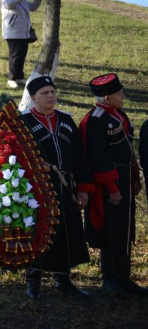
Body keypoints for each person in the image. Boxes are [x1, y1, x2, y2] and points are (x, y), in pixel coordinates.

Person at [20, 76, 92, 299]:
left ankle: (63, 278)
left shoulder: (66, 120)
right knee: (39, 232)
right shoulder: (23, 123)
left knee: (66, 231)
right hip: (37, 189)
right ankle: (33, 281)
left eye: (52, 91)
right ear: (33, 98)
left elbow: (80, 155)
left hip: (66, 186)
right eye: (45, 93)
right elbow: (13, 156)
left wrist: (83, 188)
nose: (51, 96)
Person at [79, 74, 147, 297]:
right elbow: (99, 158)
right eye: (120, 94)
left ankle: (123, 275)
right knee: (111, 229)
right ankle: (109, 277)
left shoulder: (118, 114)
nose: (124, 96)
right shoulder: (95, 120)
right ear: (107, 97)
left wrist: (135, 175)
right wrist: (113, 188)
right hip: (110, 184)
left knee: (125, 227)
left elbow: (126, 148)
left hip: (125, 177)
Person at [0, 0, 42, 89]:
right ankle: (12, 78)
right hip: (13, 32)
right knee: (15, 56)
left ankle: (19, 77)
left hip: (24, 32)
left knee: (22, 55)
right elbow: (9, 4)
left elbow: (33, 7)